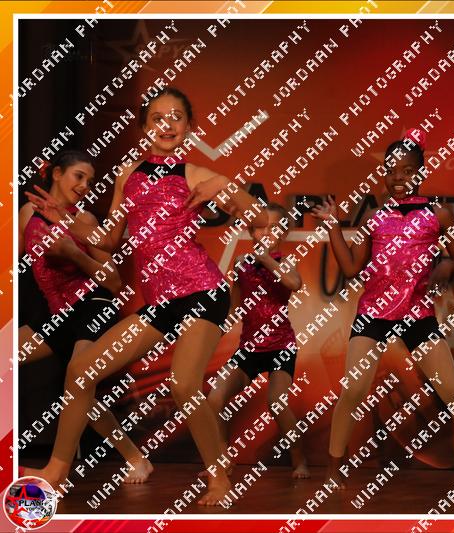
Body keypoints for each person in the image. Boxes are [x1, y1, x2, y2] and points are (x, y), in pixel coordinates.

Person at [24, 87, 270, 506]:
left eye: (176, 117)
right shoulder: (129, 175)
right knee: (81, 370)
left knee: (184, 384)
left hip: (202, 292)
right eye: (157, 117)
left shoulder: (195, 174)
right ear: (143, 127)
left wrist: (225, 184)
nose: (167, 124)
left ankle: (219, 477)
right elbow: (108, 240)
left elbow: (261, 216)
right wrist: (65, 219)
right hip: (160, 303)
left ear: (189, 126)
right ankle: (57, 471)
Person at [311, 129, 454, 491]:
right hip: (374, 314)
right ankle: (333, 469)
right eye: (391, 171)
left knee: (452, 392)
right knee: (353, 391)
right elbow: (350, 268)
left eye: (407, 171)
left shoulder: (438, 214)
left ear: (420, 172)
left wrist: (447, 266)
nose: (398, 178)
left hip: (417, 316)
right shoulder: (375, 217)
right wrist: (334, 227)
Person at [19, 150, 152, 483]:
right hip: (55, 312)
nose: (84, 186)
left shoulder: (86, 220)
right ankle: (136, 458)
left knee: (79, 383)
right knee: (81, 395)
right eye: (79, 176)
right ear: (57, 174)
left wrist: (74, 254)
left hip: (92, 306)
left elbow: (114, 282)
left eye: (90, 181)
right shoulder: (28, 213)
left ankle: (57, 472)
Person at [206, 203, 309, 479]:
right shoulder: (241, 264)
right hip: (249, 348)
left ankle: (299, 460)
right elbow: (234, 308)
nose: (265, 233)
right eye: (260, 227)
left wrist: (265, 259)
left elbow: (294, 283)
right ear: (251, 231)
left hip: (280, 347)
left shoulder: (284, 261)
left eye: (273, 228)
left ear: (283, 233)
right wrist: (210, 333)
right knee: (215, 396)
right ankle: (222, 459)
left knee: (277, 402)